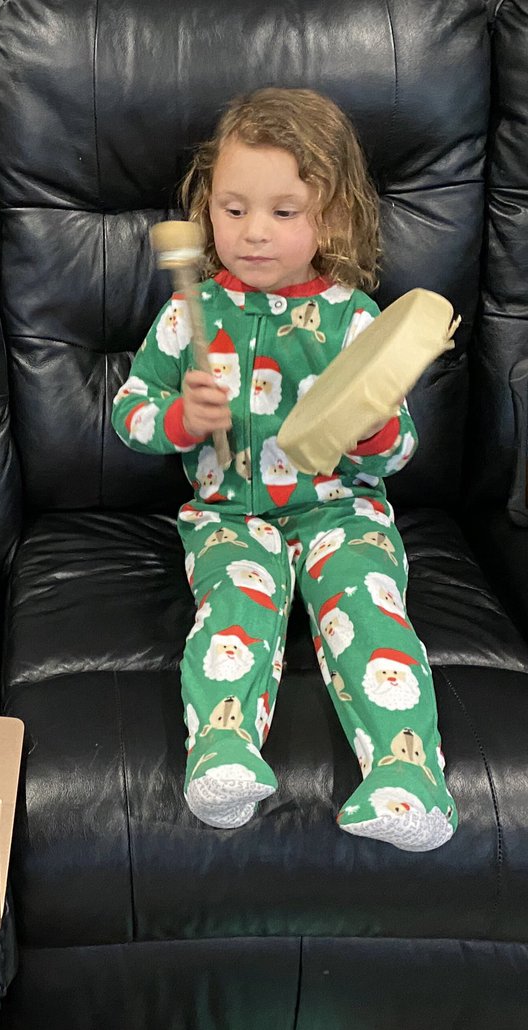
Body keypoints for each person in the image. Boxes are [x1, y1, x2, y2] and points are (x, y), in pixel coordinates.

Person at [113, 88, 455, 852]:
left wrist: (368, 431)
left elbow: (400, 450)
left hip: (342, 512)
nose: (253, 233)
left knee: (368, 613)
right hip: (230, 517)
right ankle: (222, 755)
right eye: (233, 211)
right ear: (205, 210)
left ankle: (411, 782)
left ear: (330, 218)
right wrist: (179, 420)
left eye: (283, 212)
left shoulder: (355, 319)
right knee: (233, 610)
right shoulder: (187, 314)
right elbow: (128, 415)